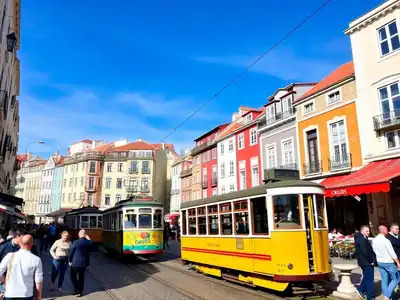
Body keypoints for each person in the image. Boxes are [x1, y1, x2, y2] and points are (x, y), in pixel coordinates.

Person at [0, 234, 43, 300]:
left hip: (10, 294)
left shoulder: (10, 256)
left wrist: (4, 281)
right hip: (27, 294)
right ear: (32, 244)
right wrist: (38, 296)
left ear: (20, 243)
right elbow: (38, 280)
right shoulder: (37, 259)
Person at [372, 225, 400, 300]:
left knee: (384, 279)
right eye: (386, 230)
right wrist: (398, 262)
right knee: (396, 279)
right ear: (384, 230)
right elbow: (392, 253)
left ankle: (386, 295)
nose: (387, 231)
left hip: (380, 261)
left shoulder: (374, 240)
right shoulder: (386, 240)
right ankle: (387, 296)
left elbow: (374, 250)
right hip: (388, 262)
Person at [69, 230, 95, 297]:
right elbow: (93, 248)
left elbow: (71, 252)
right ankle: (80, 292)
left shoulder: (75, 242)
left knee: (73, 276)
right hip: (84, 263)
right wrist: (89, 239)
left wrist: (69, 260)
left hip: (75, 262)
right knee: (81, 277)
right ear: (85, 235)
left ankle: (76, 289)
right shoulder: (88, 242)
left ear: (79, 234)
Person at [355, 225, 375, 300]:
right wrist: (371, 261)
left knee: (366, 278)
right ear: (362, 231)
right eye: (367, 231)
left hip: (364, 262)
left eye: (369, 231)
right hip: (367, 262)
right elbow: (365, 252)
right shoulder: (361, 239)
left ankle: (360, 289)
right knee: (369, 280)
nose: (368, 232)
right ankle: (370, 296)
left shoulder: (361, 238)